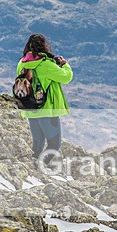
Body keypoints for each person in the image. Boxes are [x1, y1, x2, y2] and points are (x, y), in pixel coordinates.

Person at [17, 34, 73, 165]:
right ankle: (41, 166)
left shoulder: (22, 63)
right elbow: (66, 77)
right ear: (44, 46)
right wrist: (64, 65)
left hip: (30, 108)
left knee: (38, 142)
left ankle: (33, 167)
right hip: (46, 110)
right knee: (54, 144)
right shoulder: (46, 64)